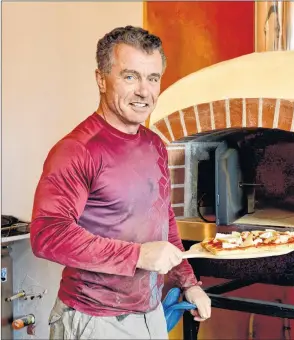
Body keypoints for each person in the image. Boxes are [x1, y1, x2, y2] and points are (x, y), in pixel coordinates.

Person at [30, 25, 211, 339]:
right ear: (101, 79)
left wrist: (189, 283)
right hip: (95, 320)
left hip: (149, 313)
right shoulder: (77, 150)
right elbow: (47, 234)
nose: (144, 91)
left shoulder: (154, 144)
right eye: (130, 77)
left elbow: (163, 219)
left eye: (152, 78)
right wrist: (138, 255)